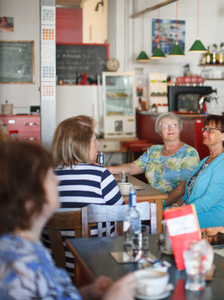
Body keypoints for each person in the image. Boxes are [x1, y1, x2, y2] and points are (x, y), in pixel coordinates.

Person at [0, 141, 137, 300]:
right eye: (48, 175)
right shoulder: (18, 268)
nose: (57, 180)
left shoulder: (27, 246)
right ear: (26, 199)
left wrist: (86, 292)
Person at [50, 115, 124, 276]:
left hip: (56, 273)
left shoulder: (43, 177)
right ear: (81, 144)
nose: (97, 144)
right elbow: (122, 220)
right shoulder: (101, 176)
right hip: (99, 269)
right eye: (94, 140)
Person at [108, 112, 200, 206]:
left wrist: (162, 203)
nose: (170, 128)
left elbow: (184, 187)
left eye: (174, 124)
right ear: (159, 131)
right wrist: (108, 169)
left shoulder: (189, 153)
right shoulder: (153, 150)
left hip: (174, 206)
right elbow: (133, 167)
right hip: (151, 201)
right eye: (165, 125)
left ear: (179, 128)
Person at [174, 115, 224, 228]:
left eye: (210, 130)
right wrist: (175, 205)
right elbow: (189, 194)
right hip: (193, 215)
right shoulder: (206, 160)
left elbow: (207, 202)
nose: (204, 133)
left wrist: (179, 213)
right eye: (204, 129)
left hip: (210, 223)